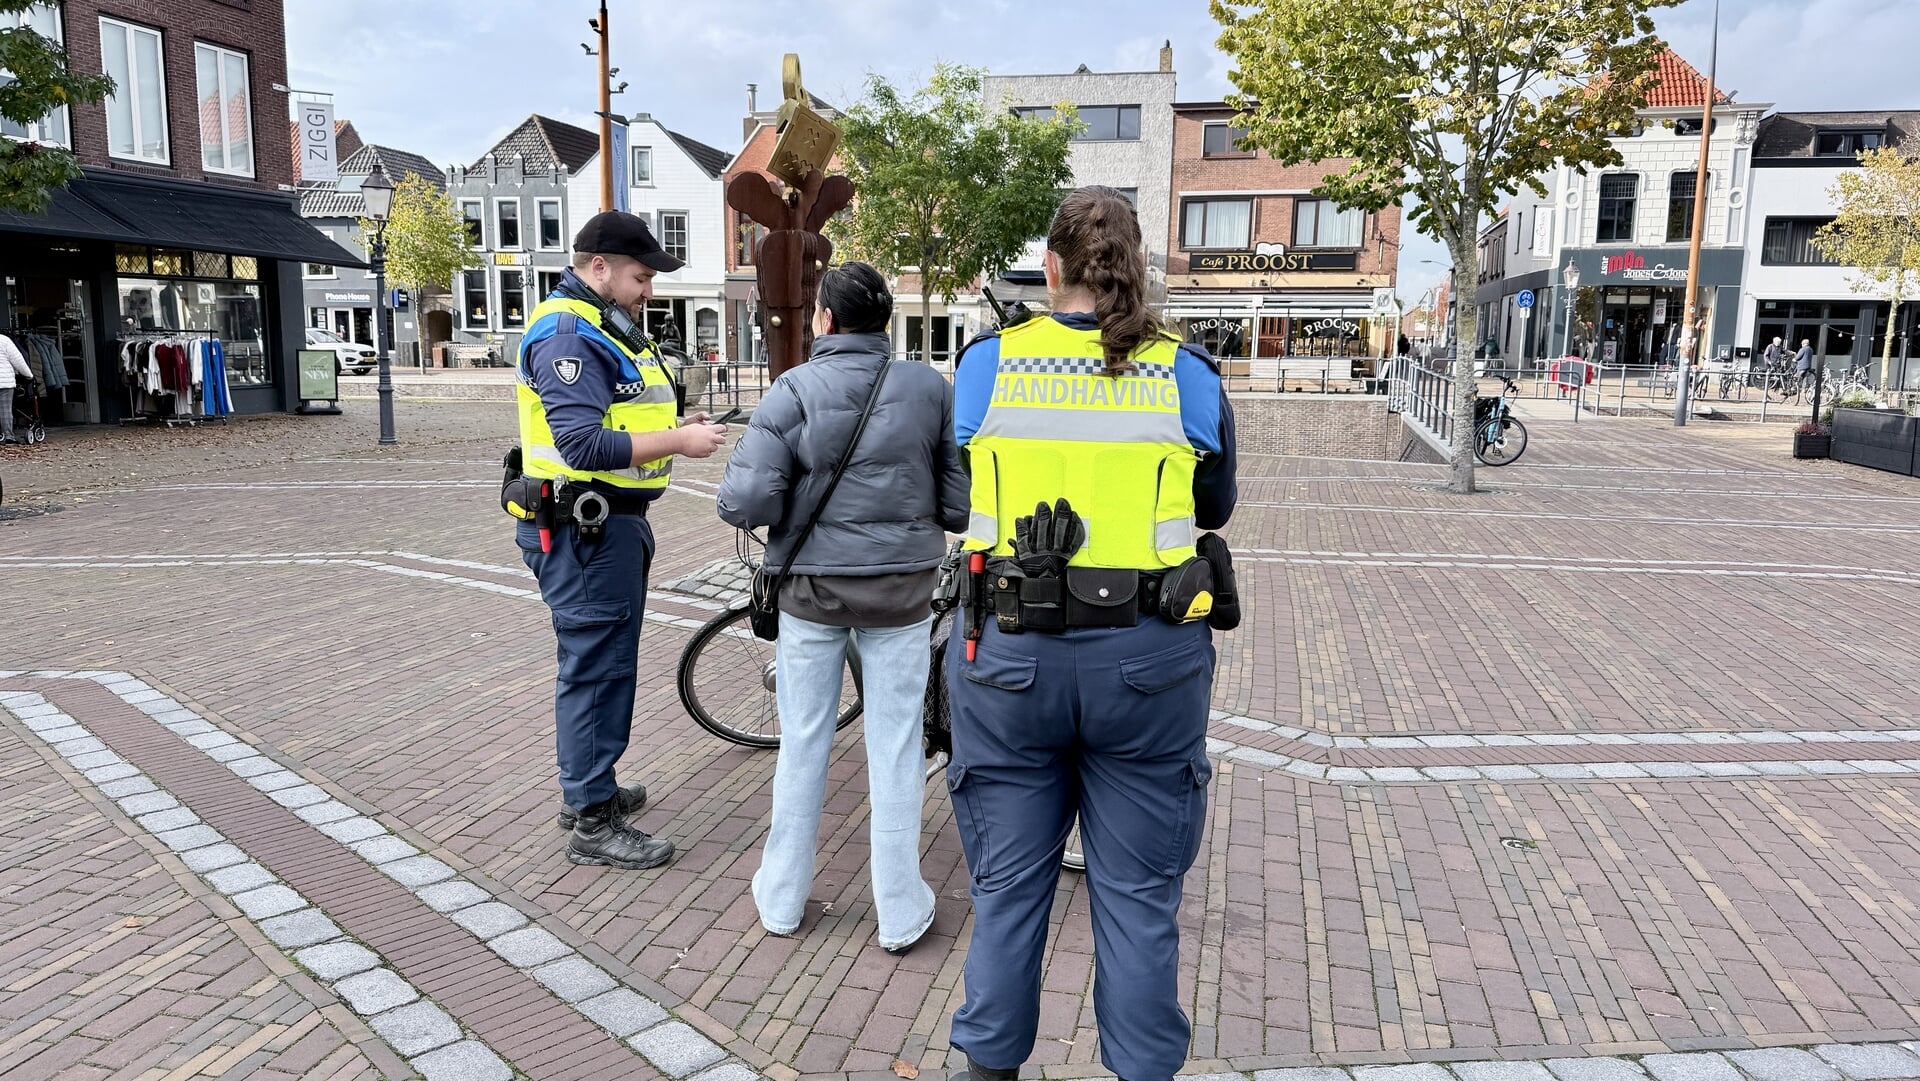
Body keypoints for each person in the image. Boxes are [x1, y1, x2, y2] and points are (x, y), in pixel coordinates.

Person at [943, 186, 1238, 1081]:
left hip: (1009, 662)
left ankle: (986, 1066)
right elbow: (1214, 502)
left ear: (1052, 268)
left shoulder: (987, 363)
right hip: (1148, 663)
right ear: (1135, 267)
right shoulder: (1186, 370)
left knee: (1006, 893)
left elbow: (959, 490)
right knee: (1140, 901)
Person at [717, 262, 968, 953]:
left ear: (824, 319)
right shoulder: (926, 387)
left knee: (802, 744)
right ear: (886, 322)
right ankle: (899, 908)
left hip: (813, 595)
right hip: (902, 596)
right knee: (894, 749)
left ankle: (782, 897)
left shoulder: (794, 387)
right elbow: (956, 501)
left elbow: (744, 501)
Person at [514, 211, 730, 869]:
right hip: (585, 530)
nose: (648, 291)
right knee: (597, 667)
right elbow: (581, 441)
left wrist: (674, 421)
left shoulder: (604, 326)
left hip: (605, 526)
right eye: (641, 277)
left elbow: (621, 411)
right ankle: (591, 820)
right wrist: (680, 442)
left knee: (604, 662)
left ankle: (592, 787)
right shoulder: (568, 335)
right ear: (599, 266)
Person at [0, 334, 31, 444]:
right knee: (5, 411)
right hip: (4, 381)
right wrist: (29, 375)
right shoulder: (4, 340)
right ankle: (8, 436)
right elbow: (18, 360)